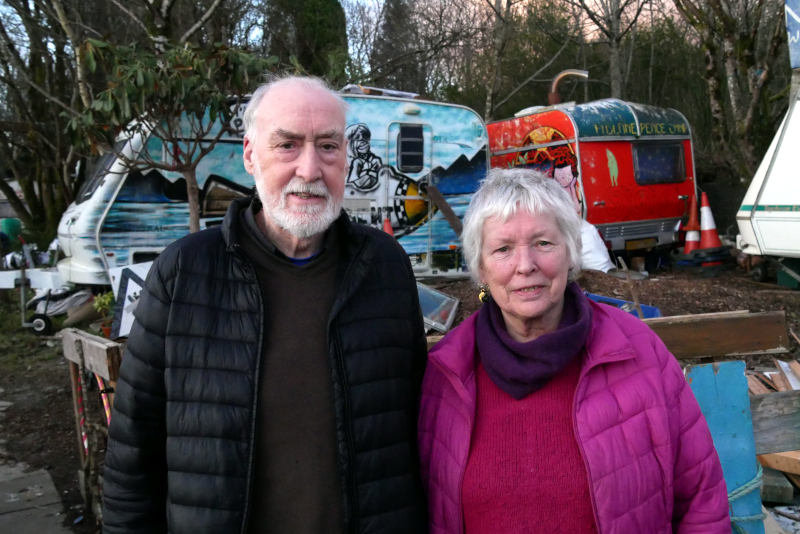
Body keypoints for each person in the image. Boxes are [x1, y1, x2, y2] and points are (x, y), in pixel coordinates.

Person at [102, 75, 428, 534]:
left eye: (328, 146)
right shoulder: (184, 273)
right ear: (251, 155)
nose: (310, 169)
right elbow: (133, 452)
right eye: (288, 145)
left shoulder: (384, 266)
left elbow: (417, 423)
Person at [418, 168, 730, 534]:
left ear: (570, 253)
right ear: (481, 269)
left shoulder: (638, 352)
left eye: (543, 243)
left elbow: (700, 500)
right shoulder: (446, 373)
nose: (525, 265)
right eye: (503, 249)